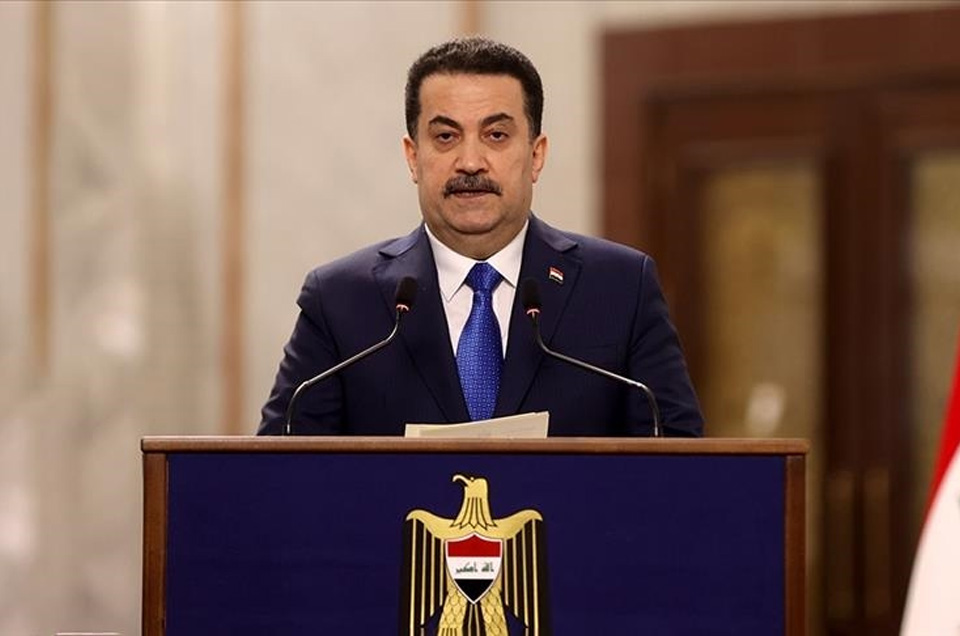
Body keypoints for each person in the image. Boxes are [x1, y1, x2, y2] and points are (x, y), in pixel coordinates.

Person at [259, 37, 702, 437]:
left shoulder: (620, 287)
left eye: (496, 135)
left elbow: (679, 464)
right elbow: (277, 474)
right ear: (413, 157)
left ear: (536, 155)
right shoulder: (339, 301)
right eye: (446, 136)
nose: (470, 162)